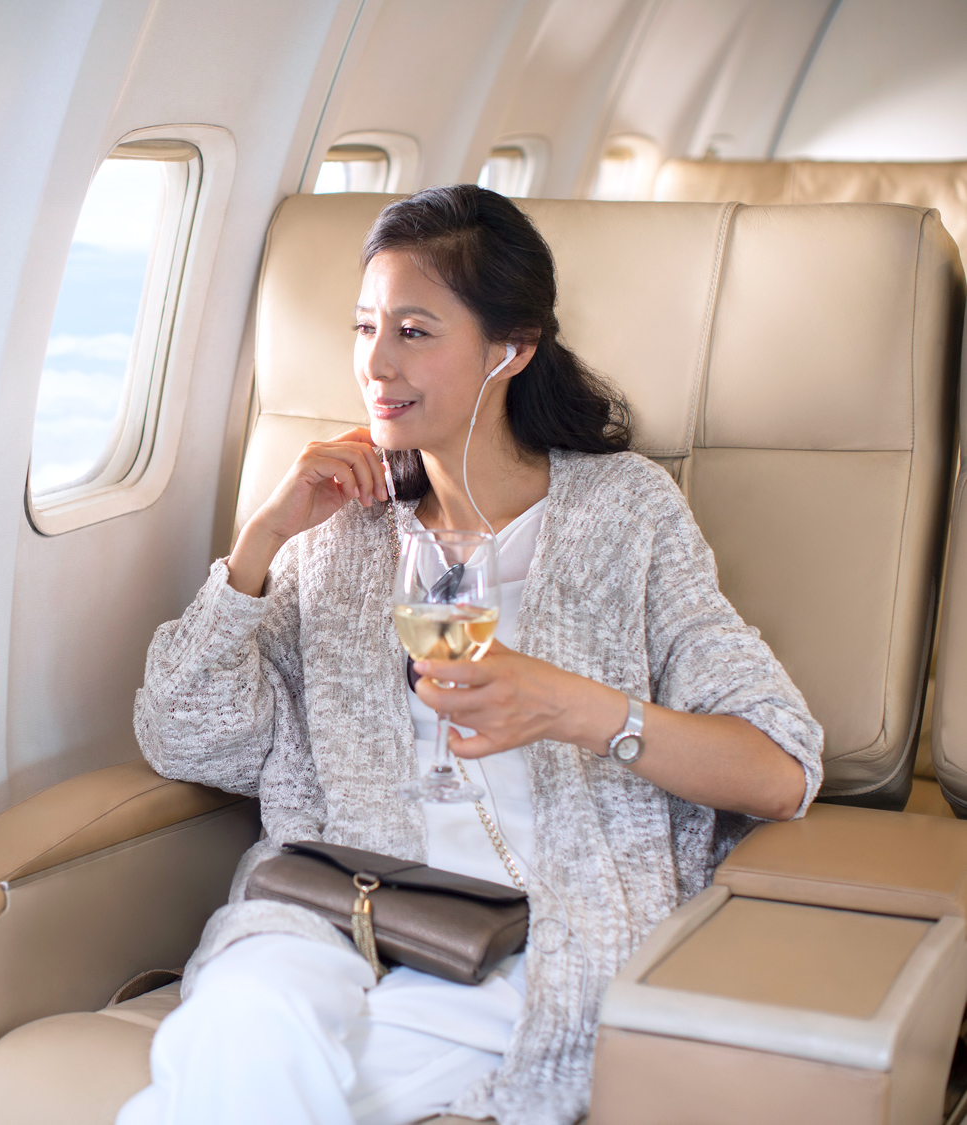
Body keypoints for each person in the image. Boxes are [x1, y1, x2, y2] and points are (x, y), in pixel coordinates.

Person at [118, 185, 823, 1125]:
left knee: (220, 1094)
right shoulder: (343, 531)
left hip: (538, 935)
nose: (375, 361)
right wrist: (260, 542)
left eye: (413, 330)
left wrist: (572, 705)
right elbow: (187, 741)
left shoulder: (626, 514)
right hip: (335, 910)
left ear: (511, 348)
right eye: (365, 325)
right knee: (241, 1020)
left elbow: (780, 767)